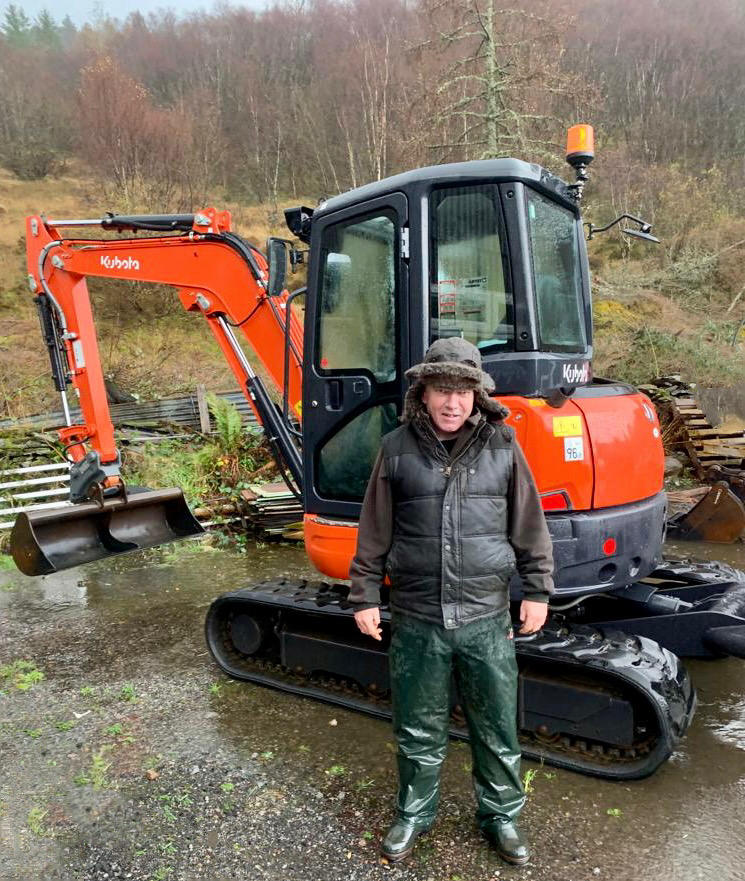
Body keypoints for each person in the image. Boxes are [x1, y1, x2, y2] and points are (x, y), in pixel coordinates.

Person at [348, 337, 554, 866]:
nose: (452, 403)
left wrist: (537, 590)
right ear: (424, 393)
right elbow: (373, 531)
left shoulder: (505, 445)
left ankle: (501, 816)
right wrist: (365, 593)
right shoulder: (395, 449)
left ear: (478, 397)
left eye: (463, 392)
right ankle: (414, 813)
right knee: (417, 726)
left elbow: (530, 527)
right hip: (418, 617)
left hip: (486, 616)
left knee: (496, 727)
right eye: (443, 390)